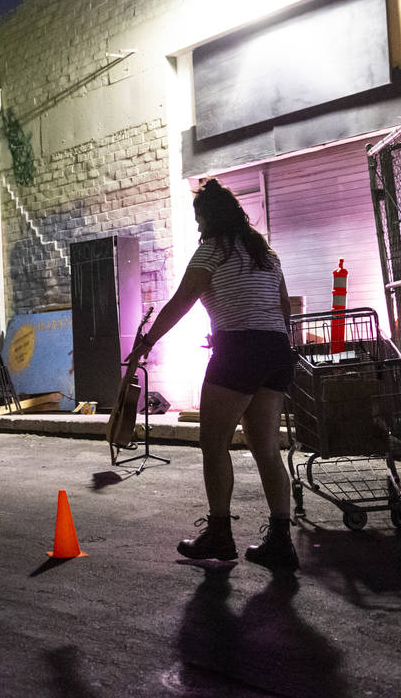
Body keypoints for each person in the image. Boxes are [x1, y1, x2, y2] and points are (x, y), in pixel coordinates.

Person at [129, 179, 299, 571]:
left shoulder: (211, 251)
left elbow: (181, 302)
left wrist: (147, 341)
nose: (198, 225)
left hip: (240, 350)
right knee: (266, 449)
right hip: (275, 350)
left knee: (213, 442)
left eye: (199, 218)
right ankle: (280, 540)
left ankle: (221, 535)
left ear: (209, 217)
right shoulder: (266, 254)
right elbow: (282, 307)